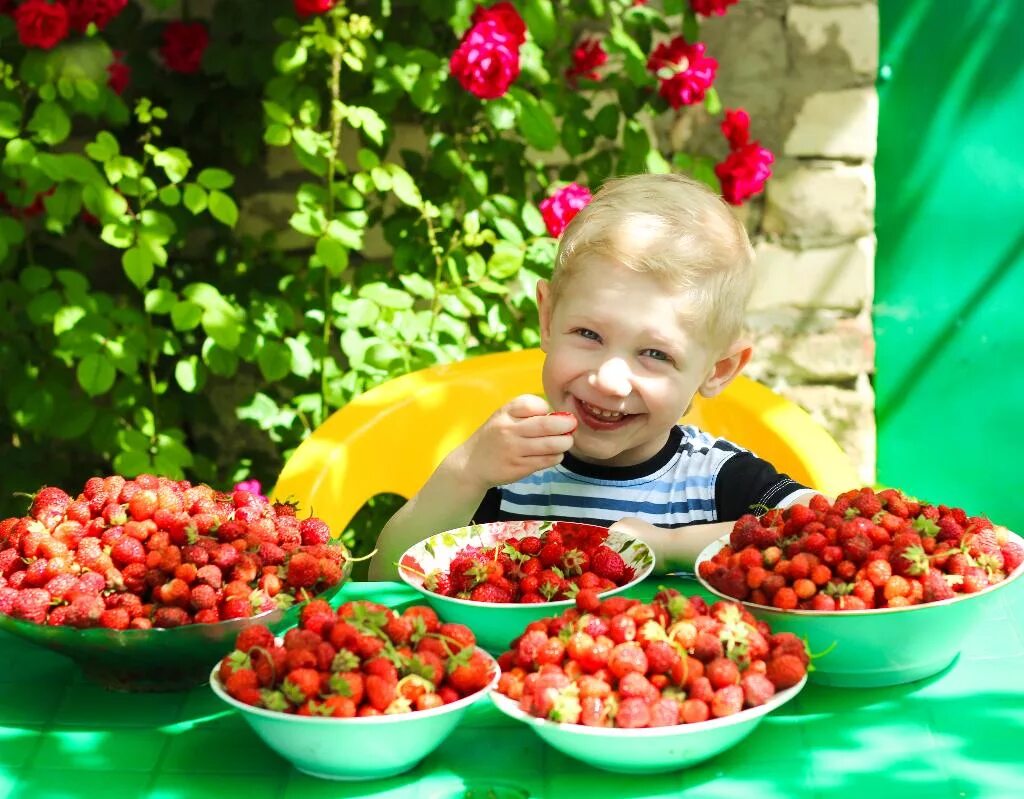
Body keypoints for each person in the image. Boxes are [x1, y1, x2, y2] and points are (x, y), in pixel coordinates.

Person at [367, 173, 816, 580]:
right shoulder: (506, 470)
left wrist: (672, 548)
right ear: (547, 319)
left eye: (655, 353)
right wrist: (464, 474)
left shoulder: (716, 479)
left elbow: (821, 523)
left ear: (716, 370)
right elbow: (387, 580)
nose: (609, 379)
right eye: (588, 334)